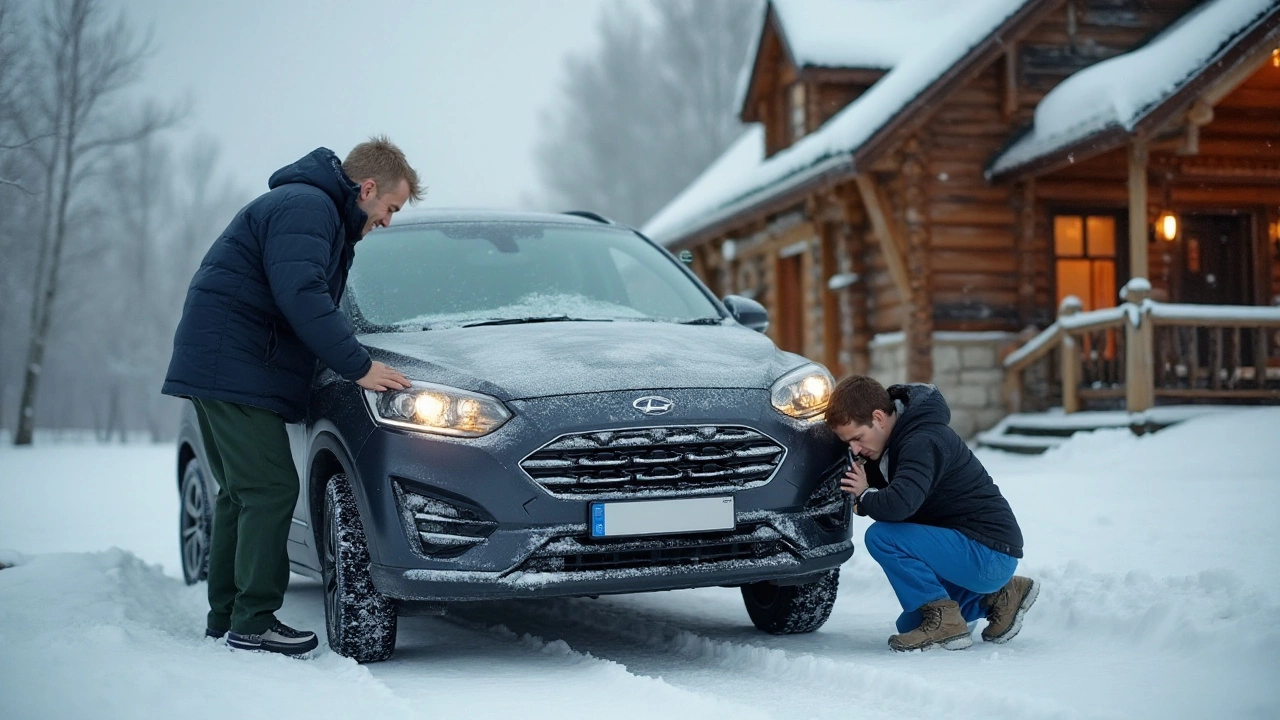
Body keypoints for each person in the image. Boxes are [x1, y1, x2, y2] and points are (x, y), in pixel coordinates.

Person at [162, 137, 422, 656]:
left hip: (224, 362)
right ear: (367, 188)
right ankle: (254, 619)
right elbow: (302, 295)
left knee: (240, 491)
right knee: (271, 488)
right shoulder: (308, 208)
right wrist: (360, 366)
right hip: (234, 364)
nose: (389, 221)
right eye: (390, 207)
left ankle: (229, 617)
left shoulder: (310, 208)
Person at [825, 376, 1038, 652]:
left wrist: (865, 496)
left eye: (857, 438)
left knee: (881, 537)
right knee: (912, 622)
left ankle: (946, 622)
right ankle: (999, 598)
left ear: (878, 417)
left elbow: (901, 504)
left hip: (988, 553)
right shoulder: (893, 444)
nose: (854, 449)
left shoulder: (922, 440)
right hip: (974, 551)